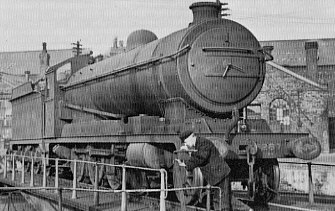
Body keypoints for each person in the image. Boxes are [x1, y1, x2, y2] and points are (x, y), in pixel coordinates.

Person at [176, 129, 232, 210]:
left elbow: (201, 157)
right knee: (218, 199)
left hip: (220, 174)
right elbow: (197, 156)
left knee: (223, 202)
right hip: (217, 175)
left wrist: (187, 165)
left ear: (192, 136)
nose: (186, 144)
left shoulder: (203, 142)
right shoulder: (199, 144)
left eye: (186, 141)